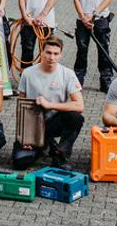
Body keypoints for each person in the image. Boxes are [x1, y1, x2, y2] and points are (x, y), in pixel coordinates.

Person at [13, 36, 85, 170]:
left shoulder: (67, 74)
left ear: (60, 55)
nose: (51, 57)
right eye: (48, 52)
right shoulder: (27, 74)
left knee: (76, 118)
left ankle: (60, 154)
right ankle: (41, 145)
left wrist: (49, 105)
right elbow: (20, 108)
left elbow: (79, 106)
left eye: (56, 54)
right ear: (42, 52)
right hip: (33, 125)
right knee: (20, 162)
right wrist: (24, 136)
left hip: (54, 122)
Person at [71, 0, 115, 91]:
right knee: (82, 50)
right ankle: (78, 79)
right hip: (82, 18)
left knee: (103, 50)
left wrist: (94, 14)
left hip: (101, 17)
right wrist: (83, 16)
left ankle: (106, 80)